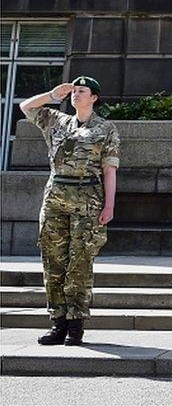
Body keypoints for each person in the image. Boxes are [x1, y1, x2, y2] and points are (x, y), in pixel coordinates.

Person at [20, 76, 120, 346]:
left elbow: (109, 170)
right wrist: (52, 95)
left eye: (82, 91)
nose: (76, 94)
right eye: (74, 91)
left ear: (94, 97)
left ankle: (76, 325)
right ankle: (58, 323)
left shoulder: (106, 129)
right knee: (53, 261)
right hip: (55, 197)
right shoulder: (57, 120)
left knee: (79, 263)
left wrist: (109, 205)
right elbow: (26, 107)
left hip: (87, 199)